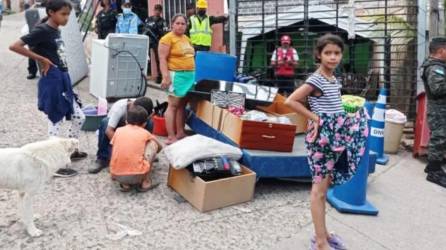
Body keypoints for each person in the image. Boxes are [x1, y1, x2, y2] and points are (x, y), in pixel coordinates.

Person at [285, 34, 368, 250]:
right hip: (321, 141)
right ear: (319, 55)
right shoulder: (317, 79)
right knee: (319, 190)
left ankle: (322, 233)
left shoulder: (333, 79)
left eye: (337, 53)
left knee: (323, 188)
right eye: (328, 53)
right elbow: (291, 100)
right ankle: (320, 242)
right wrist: (316, 117)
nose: (333, 57)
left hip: (333, 139)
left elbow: (332, 105)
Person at [9, 0, 88, 178]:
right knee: (55, 119)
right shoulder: (42, 30)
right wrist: (41, 59)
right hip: (52, 79)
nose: (66, 18)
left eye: (68, 14)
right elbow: (15, 46)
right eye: (63, 14)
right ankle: (55, 164)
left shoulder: (55, 29)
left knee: (78, 117)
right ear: (51, 12)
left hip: (62, 77)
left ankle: (70, 150)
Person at [90, 97, 154, 174]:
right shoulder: (119, 108)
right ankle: (102, 158)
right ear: (132, 105)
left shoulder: (147, 108)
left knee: (150, 123)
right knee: (105, 122)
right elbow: (109, 131)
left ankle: (143, 155)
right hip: (118, 127)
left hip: (136, 126)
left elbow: (151, 115)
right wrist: (123, 148)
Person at [159, 14, 195, 145]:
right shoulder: (167, 39)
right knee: (173, 105)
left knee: (182, 106)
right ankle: (171, 136)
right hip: (176, 76)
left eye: (183, 24)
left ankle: (180, 132)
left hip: (189, 76)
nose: (180, 26)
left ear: (186, 26)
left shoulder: (187, 39)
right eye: (178, 23)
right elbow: (162, 59)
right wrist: (165, 76)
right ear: (172, 24)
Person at [110, 105, 161, 192]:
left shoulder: (118, 130)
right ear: (145, 124)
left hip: (116, 174)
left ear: (126, 122)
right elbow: (159, 146)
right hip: (137, 175)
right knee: (153, 144)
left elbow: (114, 147)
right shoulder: (145, 133)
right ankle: (145, 182)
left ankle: (125, 185)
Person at [420, 37, 446, 188]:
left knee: (440, 137)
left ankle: (432, 166)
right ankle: (434, 172)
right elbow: (437, 89)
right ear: (441, 51)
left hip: (440, 109)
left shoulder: (439, 66)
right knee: (439, 137)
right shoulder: (435, 68)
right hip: (439, 110)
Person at [144, 4, 167, 83]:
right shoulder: (148, 19)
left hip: (157, 41)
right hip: (148, 41)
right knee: (145, 58)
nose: (157, 12)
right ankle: (145, 74)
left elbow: (164, 32)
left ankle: (159, 77)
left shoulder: (162, 21)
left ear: (161, 12)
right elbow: (145, 29)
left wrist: (156, 29)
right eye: (156, 10)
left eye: (159, 10)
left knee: (158, 60)